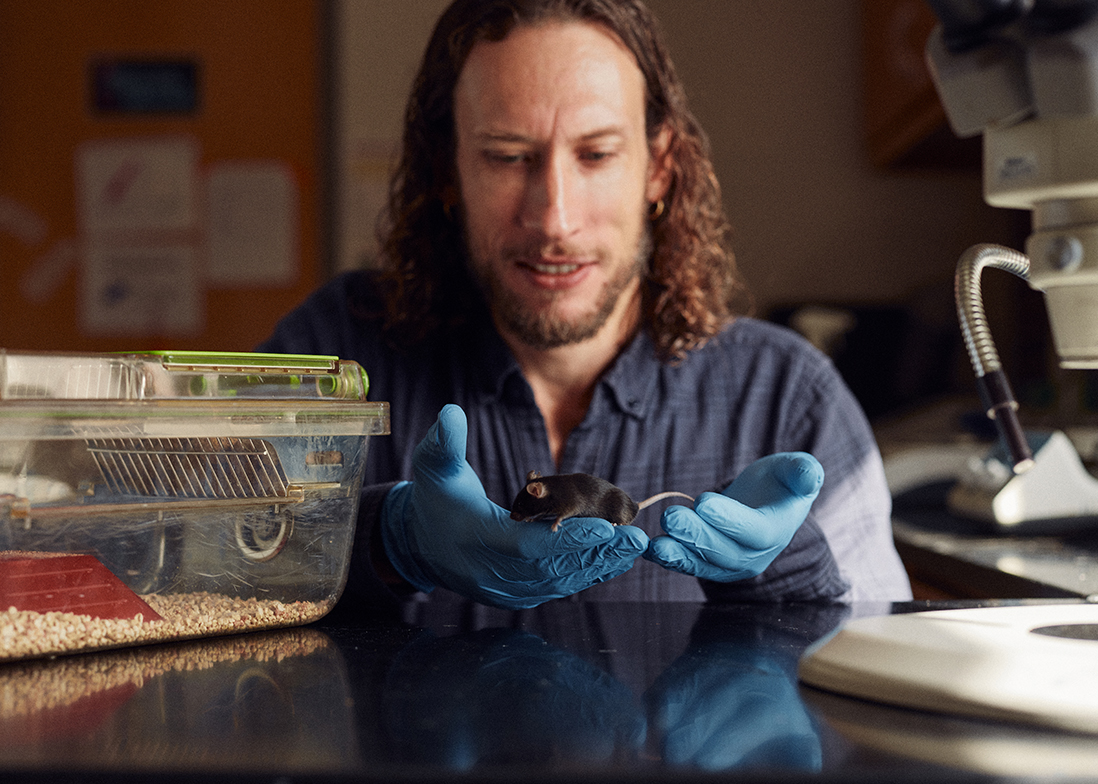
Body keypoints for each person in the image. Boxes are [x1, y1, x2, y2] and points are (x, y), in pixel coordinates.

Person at [259, 0, 913, 608]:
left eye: (596, 155)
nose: (555, 219)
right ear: (447, 172)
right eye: (508, 157)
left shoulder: (789, 400)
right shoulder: (330, 355)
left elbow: (883, 666)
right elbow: (179, 578)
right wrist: (384, 539)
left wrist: (788, 573)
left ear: (658, 169)